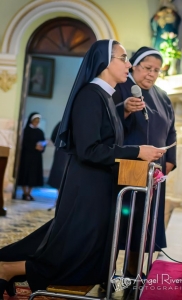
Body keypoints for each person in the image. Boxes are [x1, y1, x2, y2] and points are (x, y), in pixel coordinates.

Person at [0, 39, 166, 297]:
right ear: (104, 61)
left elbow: (106, 138)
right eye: (122, 58)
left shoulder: (106, 97)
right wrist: (137, 151)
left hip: (99, 186)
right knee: (71, 250)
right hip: (86, 186)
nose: (128, 64)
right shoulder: (90, 95)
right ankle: (9, 269)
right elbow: (90, 149)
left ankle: (12, 267)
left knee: (82, 249)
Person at [113, 46, 177, 277]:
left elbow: (172, 131)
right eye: (147, 68)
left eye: (157, 70)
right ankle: (105, 271)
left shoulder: (162, 96)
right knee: (121, 221)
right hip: (125, 168)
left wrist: (169, 160)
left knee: (144, 222)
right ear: (134, 66)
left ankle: (133, 272)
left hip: (154, 172)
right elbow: (107, 121)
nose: (151, 74)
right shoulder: (119, 88)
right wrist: (125, 110)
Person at [17, 112, 47, 201]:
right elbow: (24, 143)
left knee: (33, 175)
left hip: (36, 157)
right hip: (26, 156)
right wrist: (34, 146)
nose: (37, 122)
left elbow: (43, 142)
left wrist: (41, 147)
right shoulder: (26, 131)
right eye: (35, 121)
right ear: (31, 120)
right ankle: (25, 193)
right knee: (25, 174)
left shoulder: (40, 131)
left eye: (38, 121)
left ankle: (29, 193)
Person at [47, 121, 69, 210]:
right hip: (63, 153)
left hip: (63, 152)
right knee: (60, 176)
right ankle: (59, 199)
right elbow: (54, 137)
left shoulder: (62, 123)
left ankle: (61, 200)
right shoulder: (62, 123)